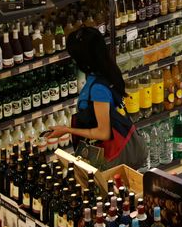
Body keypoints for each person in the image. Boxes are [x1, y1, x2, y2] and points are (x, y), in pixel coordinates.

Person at [48, 27, 147, 170]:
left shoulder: (98, 90)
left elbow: (103, 133)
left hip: (110, 156)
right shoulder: (107, 70)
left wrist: (67, 130)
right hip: (119, 145)